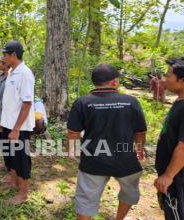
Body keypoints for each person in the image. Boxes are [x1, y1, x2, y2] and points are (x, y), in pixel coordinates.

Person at [67, 64, 147, 220]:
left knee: (85, 201)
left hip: (93, 160)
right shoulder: (131, 102)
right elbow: (140, 132)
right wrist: (139, 150)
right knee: (129, 192)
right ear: (115, 82)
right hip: (126, 160)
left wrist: (72, 152)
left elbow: (73, 133)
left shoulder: (82, 102)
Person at [0, 40, 35, 205]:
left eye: (5, 55)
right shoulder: (12, 71)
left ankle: (23, 193)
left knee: (21, 158)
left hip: (19, 127)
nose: (2, 58)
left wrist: (16, 129)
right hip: (8, 124)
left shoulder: (25, 74)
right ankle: (13, 183)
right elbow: (11, 100)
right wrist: (2, 121)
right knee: (10, 155)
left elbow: (27, 103)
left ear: (13, 55)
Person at [154, 58, 184, 219]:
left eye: (168, 75)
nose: (165, 79)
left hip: (178, 178)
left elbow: (183, 146)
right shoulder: (179, 102)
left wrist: (169, 175)